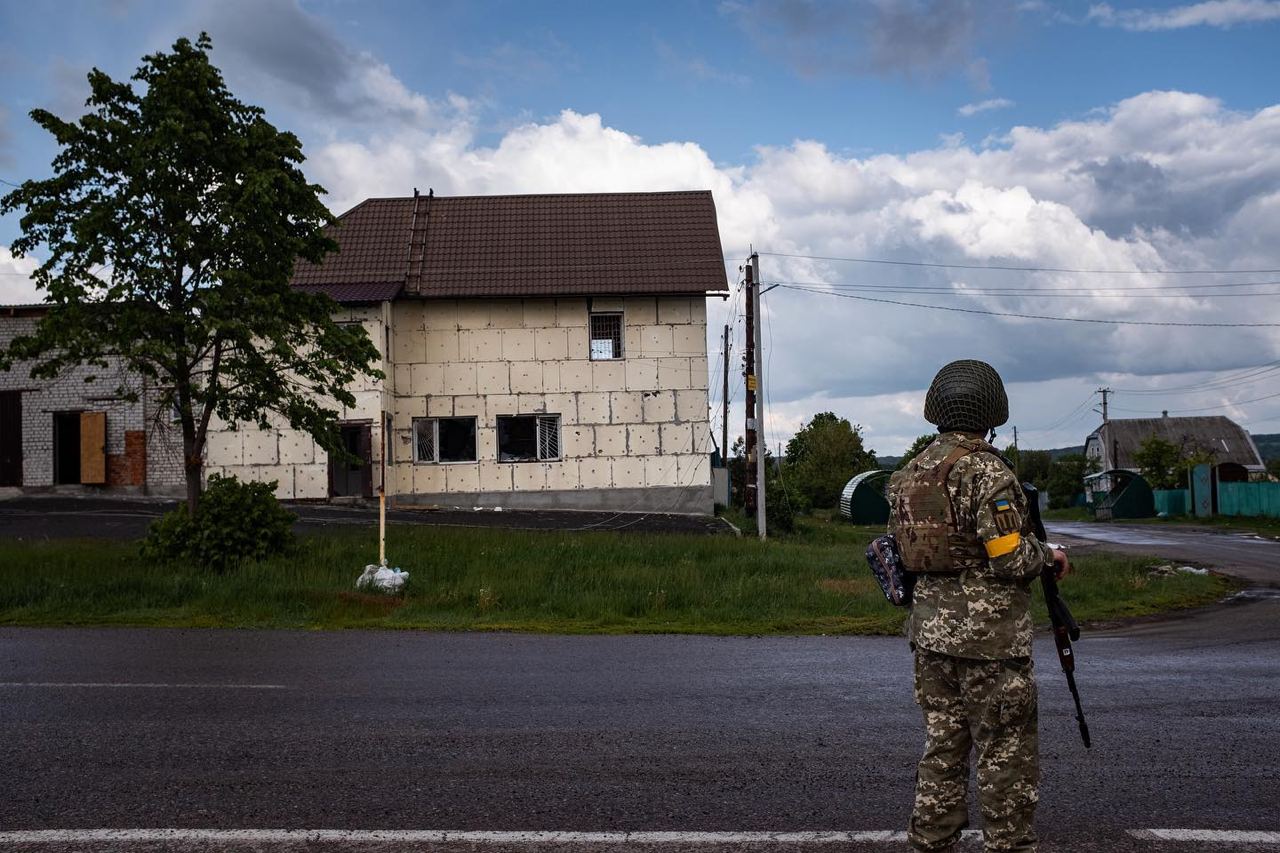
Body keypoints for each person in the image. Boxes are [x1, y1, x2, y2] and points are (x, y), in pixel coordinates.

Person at [887, 360, 1071, 853]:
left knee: (943, 749)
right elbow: (1010, 557)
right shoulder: (988, 472)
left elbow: (899, 553)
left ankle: (931, 842)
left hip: (930, 637)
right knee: (1004, 756)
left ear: (936, 410)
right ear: (992, 410)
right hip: (989, 641)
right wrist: (1049, 556)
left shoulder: (909, 476)